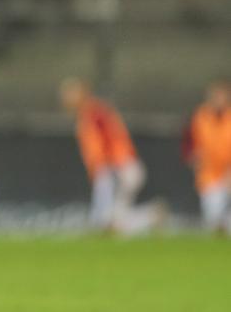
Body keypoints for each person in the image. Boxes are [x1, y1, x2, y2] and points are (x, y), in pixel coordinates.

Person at [60, 78, 164, 234]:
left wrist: (111, 167)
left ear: (82, 93)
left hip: (118, 167)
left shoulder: (95, 113)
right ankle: (151, 216)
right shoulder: (89, 113)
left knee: (106, 222)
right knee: (111, 223)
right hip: (118, 167)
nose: (66, 99)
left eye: (70, 94)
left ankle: (151, 216)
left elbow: (111, 139)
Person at [184, 81, 231, 233]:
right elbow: (188, 145)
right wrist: (193, 157)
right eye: (215, 95)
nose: (218, 99)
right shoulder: (200, 116)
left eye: (221, 95)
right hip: (209, 175)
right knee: (212, 218)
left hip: (228, 172)